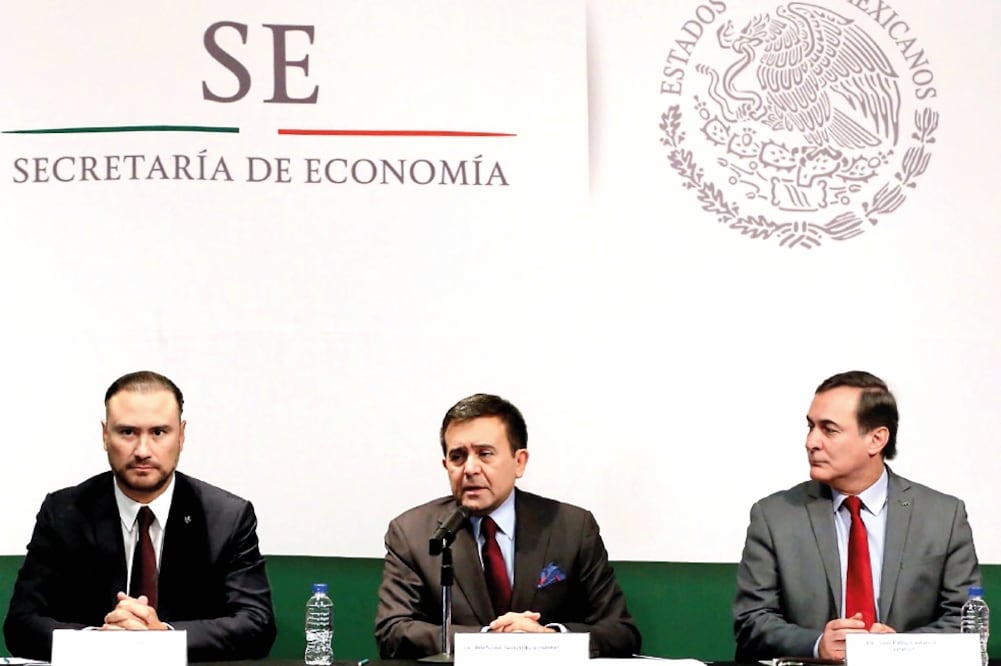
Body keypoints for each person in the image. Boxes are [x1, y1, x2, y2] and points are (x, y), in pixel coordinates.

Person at [4, 371, 277, 662]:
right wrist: (97, 642)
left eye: (159, 432)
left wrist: (163, 638)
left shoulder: (226, 517)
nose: (143, 451)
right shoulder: (64, 512)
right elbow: (21, 625)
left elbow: (256, 626)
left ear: (181, 435)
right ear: (105, 435)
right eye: (127, 432)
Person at [733, 370, 981, 662]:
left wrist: (899, 650)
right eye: (810, 427)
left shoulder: (943, 516)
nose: (811, 442)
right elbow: (752, 621)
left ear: (876, 440)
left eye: (829, 429)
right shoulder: (775, 516)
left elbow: (965, 622)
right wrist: (817, 645)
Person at [374, 393, 641, 659]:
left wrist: (549, 638)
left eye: (485, 454)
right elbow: (393, 632)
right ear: (446, 465)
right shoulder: (412, 533)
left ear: (519, 462)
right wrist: (488, 640)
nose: (470, 468)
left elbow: (620, 632)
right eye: (457, 457)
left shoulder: (572, 527)